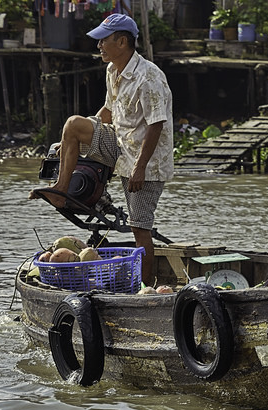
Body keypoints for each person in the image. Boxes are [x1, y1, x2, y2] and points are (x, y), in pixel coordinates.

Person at [30, 13, 174, 285]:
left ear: (122, 42)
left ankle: (144, 289)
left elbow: (156, 126)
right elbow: (108, 112)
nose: (99, 46)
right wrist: (73, 140)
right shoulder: (113, 71)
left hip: (148, 160)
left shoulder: (149, 76)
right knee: (73, 125)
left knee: (139, 227)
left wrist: (139, 168)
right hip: (121, 145)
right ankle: (61, 190)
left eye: (103, 41)